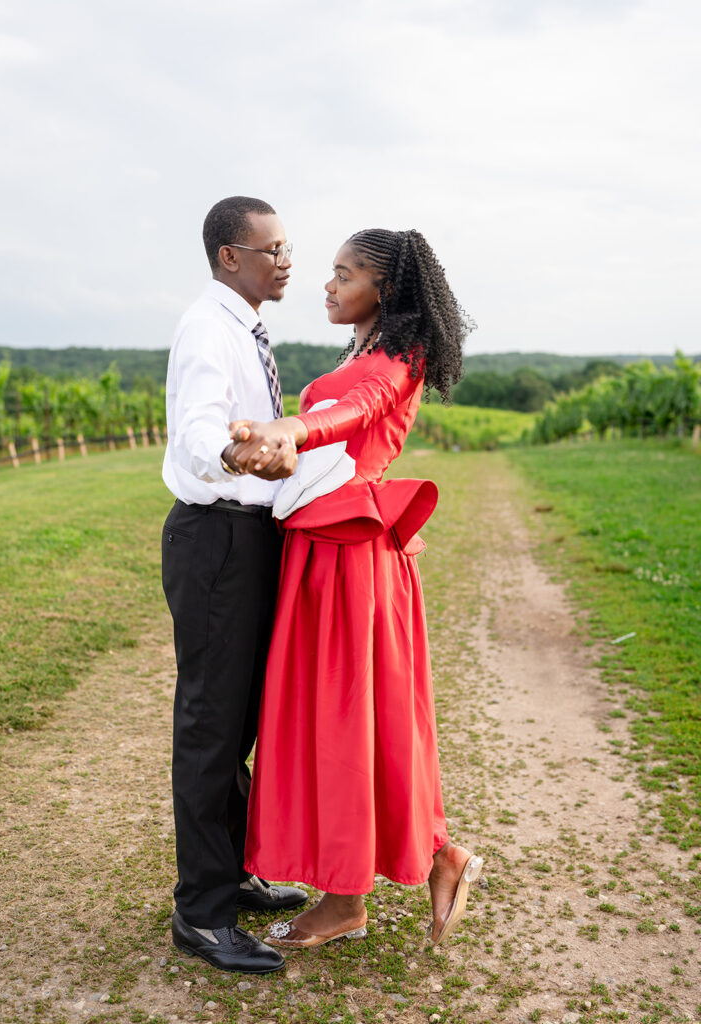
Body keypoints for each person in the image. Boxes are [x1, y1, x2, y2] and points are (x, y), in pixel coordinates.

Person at [230, 227, 483, 949]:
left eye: (345, 275)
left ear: (388, 288)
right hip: (321, 555)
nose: (329, 286)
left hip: (353, 560)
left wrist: (295, 427)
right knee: (352, 719)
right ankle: (437, 859)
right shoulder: (367, 349)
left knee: (348, 720)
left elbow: (357, 411)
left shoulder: (400, 358)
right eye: (331, 273)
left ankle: (348, 901)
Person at [161, 195, 307, 975]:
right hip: (215, 535)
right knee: (212, 728)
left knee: (243, 720)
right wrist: (241, 455)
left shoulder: (245, 328)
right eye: (272, 249)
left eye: (288, 248)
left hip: (250, 537)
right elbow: (197, 432)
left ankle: (234, 871)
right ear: (229, 256)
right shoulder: (207, 329)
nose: (286, 260)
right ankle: (202, 913)